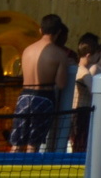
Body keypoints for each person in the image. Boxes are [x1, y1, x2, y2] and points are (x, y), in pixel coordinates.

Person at [11, 20, 70, 153]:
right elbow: (61, 84)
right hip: (44, 99)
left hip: (24, 97)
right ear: (58, 32)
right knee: (33, 144)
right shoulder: (60, 54)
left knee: (16, 143)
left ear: (40, 30)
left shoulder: (27, 50)